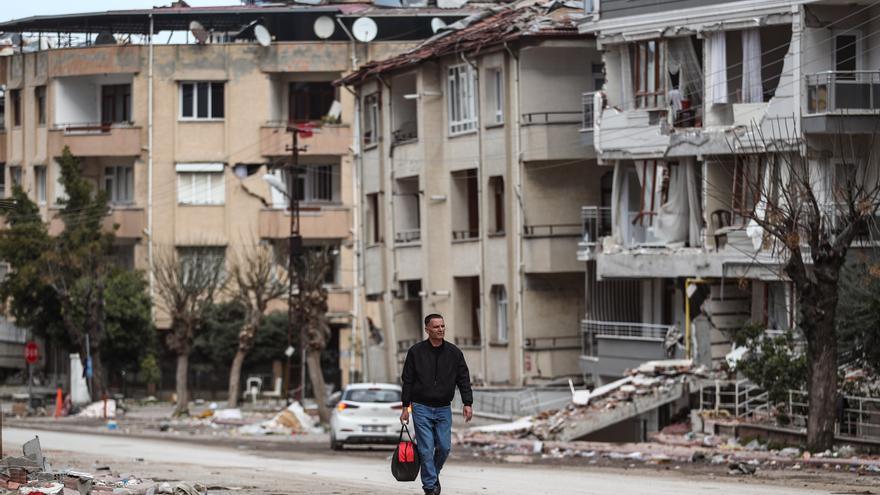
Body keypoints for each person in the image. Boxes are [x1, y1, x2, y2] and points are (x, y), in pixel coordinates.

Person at [400, 313, 473, 495]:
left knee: (444, 447)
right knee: (425, 448)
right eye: (436, 327)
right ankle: (430, 487)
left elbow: (463, 378)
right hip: (421, 406)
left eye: (442, 326)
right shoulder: (416, 352)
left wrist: (467, 402)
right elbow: (407, 380)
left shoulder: (454, 353)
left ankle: (433, 474)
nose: (440, 329)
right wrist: (405, 407)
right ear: (427, 329)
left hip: (443, 408)